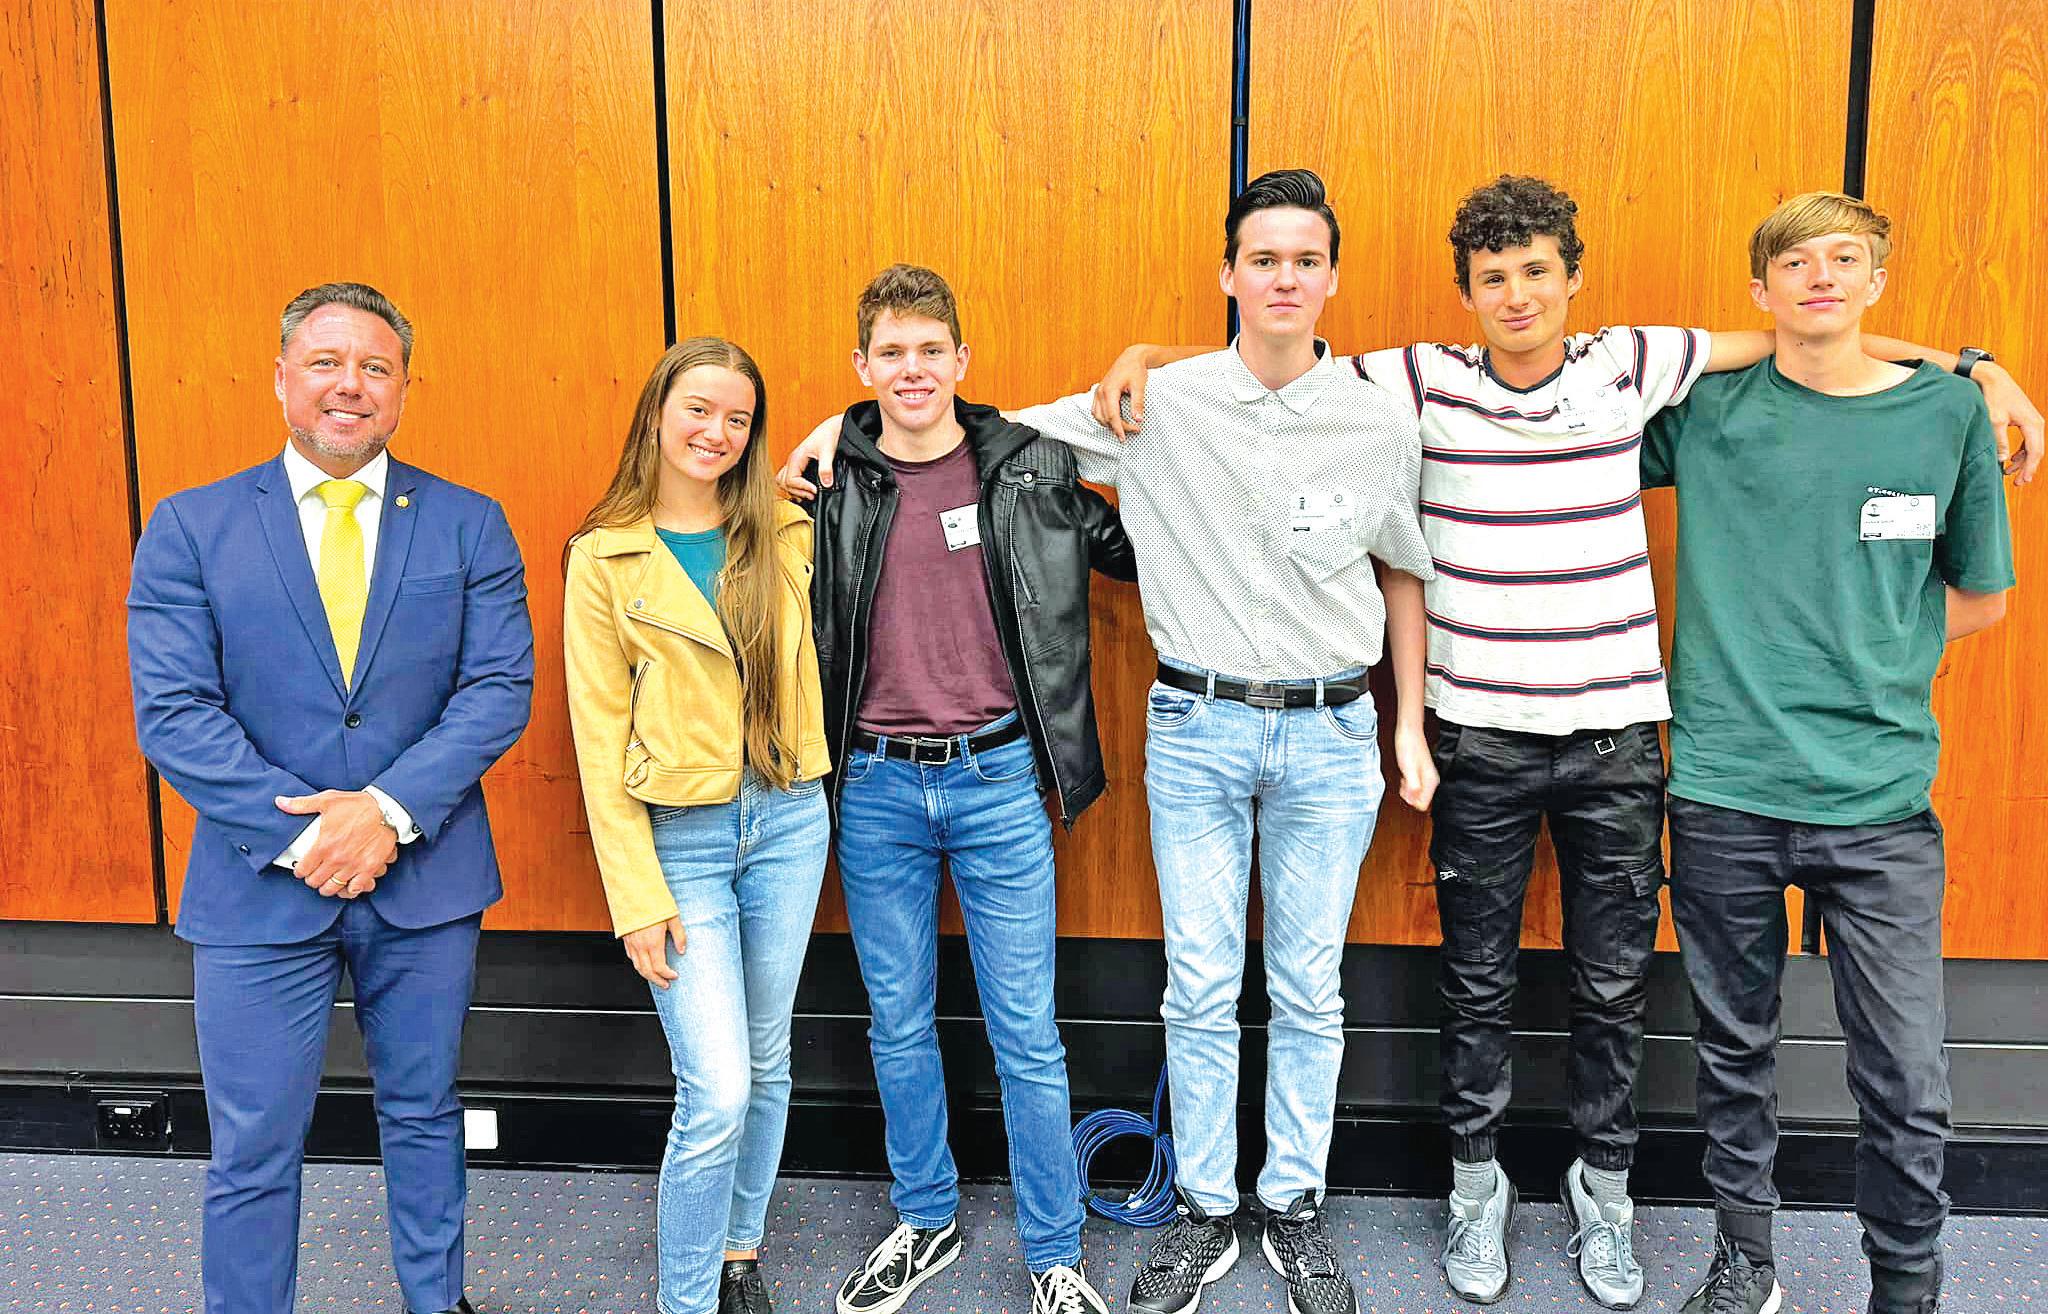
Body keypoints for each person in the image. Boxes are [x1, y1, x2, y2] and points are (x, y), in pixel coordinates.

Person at [1087, 174, 2041, 1310]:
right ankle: (1474, 1191)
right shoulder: (1415, 381)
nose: (1517, 295)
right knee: (1475, 986)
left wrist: (1971, 364)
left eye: (1536, 271)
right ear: (1466, 293)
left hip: (1614, 743)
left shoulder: (1630, 364)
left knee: (1611, 988)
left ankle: (1607, 1197)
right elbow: (1275, 360)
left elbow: (1808, 327)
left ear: (1572, 279)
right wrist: (1148, 355)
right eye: (1492, 278)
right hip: (1478, 736)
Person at [782, 169, 1439, 1314]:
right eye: (1262, 259)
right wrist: (830, 429)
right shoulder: (1140, 408)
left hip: (1287, 737)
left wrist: (1410, 724)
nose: (1283, 278)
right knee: (1160, 992)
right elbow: (962, 430)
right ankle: (1158, 1212)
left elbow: (1392, 558)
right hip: (1113, 738)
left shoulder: (1375, 416)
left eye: (1304, 261)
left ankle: (1225, 1221)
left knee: (1282, 995)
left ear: (1330, 277)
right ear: (1227, 275)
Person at [128, 281, 535, 1314]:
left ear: (402, 389)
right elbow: (174, 712)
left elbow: (498, 689)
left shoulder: (469, 523)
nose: (349, 385)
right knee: (254, 1141)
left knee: (424, 1114)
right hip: (259, 882)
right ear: (281, 379)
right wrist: (313, 836)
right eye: (325, 362)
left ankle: (435, 1302)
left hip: (425, 877)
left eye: (374, 367)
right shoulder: (191, 526)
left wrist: (384, 812)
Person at [1643, 193, 2014, 1314]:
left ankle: (1905, 1287)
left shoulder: (1943, 416)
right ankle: (1743, 1261)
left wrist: (1975, 368)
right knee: (1732, 1052)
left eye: (1844, 259)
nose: (1820, 277)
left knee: (1903, 1072)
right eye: (1795, 262)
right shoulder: (1707, 409)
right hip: (1725, 787)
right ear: (1758, 292)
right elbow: (1552, 414)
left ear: (1875, 282)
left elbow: (1982, 598)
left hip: (1879, 797)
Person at [800, 265, 1134, 1314]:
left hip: (998, 782)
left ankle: (1054, 1254)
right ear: (861, 366)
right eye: (890, 353)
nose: (912, 370)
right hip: (874, 788)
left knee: (1025, 1033)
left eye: (930, 350)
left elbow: (1143, 549)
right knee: (896, 1024)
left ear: (962, 360)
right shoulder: (828, 482)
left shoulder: (1028, 466)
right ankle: (925, 1218)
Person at [563, 337, 832, 1314]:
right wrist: (634, 897)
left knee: (766, 1062)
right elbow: (598, 740)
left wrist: (828, 437)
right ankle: (686, 1301)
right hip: (681, 836)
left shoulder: (786, 532)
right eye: (698, 410)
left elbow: (902, 428)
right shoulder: (604, 557)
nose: (716, 432)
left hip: (791, 819)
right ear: (656, 415)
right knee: (715, 1088)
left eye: (738, 418)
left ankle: (737, 1257)